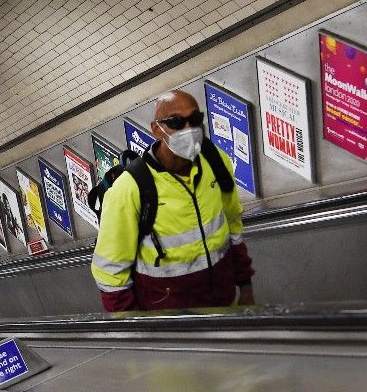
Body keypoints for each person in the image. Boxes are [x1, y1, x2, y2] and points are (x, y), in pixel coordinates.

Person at [91, 90, 255, 311]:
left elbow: (233, 225)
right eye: (176, 122)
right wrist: (134, 330)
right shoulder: (130, 188)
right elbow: (110, 271)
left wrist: (245, 286)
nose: (189, 129)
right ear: (157, 128)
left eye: (195, 120)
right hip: (171, 323)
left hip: (225, 304)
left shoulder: (216, 162)